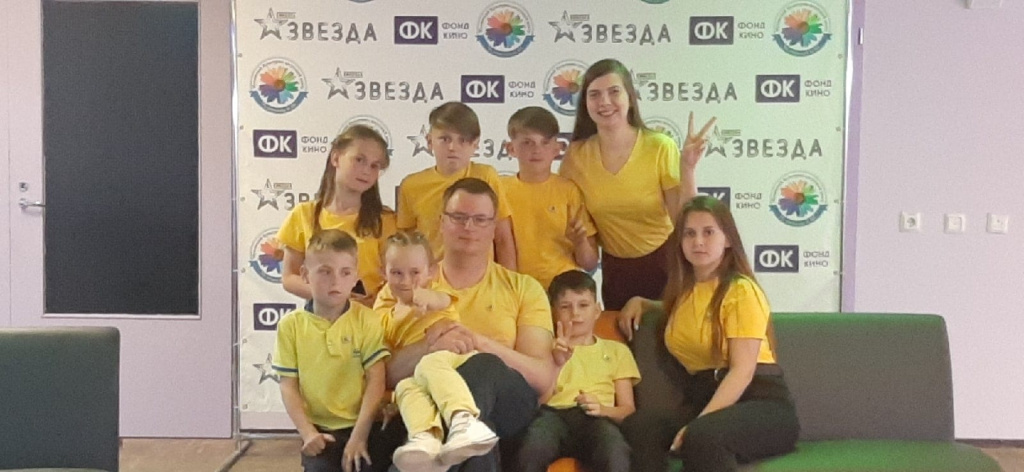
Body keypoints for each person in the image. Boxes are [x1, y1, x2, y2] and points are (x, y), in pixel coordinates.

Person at [617, 196, 800, 472]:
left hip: (760, 402)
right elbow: (684, 313)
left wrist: (698, 423)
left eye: (709, 232)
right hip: (704, 399)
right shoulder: (683, 293)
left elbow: (742, 371)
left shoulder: (741, 290)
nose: (698, 242)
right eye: (689, 234)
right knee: (640, 426)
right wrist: (641, 302)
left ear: (727, 240)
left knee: (703, 437)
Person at [386, 177, 556, 472]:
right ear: (441, 222)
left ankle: (457, 427)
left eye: (480, 219)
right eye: (459, 217)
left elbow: (542, 379)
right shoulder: (407, 284)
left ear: (493, 227)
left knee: (482, 365)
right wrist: (429, 346)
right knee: (477, 438)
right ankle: (460, 432)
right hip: (430, 407)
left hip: (510, 403)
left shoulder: (523, 288)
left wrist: (478, 343)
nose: (469, 227)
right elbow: (385, 375)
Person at [559, 58, 716, 310]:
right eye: (594, 95)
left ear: (630, 98)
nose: (604, 102)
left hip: (666, 265)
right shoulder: (576, 156)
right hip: (615, 272)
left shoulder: (659, 146)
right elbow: (584, 250)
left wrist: (687, 168)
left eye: (614, 92)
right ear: (585, 103)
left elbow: (684, 220)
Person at [274, 229, 401, 472]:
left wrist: (359, 437)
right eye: (325, 271)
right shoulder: (291, 326)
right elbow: (288, 385)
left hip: (366, 425)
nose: (335, 282)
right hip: (322, 431)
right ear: (305, 274)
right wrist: (308, 433)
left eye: (345, 273)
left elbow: (376, 379)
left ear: (355, 277)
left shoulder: (367, 320)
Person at [372, 231, 498, 471]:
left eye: (415, 273)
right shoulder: (383, 314)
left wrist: (424, 297)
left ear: (430, 272)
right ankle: (426, 439)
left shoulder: (437, 293)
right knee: (405, 387)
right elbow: (384, 357)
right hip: (420, 374)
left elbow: (442, 301)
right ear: (383, 273)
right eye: (396, 273)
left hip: (453, 359)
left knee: (429, 364)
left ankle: (464, 420)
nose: (406, 281)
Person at [516, 270, 640, 472]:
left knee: (614, 450)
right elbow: (535, 403)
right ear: (554, 312)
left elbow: (627, 410)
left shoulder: (617, 351)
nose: (575, 314)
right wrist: (555, 362)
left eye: (583, 305)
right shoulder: (543, 348)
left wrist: (602, 409)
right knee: (532, 448)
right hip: (552, 415)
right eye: (566, 307)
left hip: (597, 418)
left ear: (597, 310)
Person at [278, 125, 395, 304]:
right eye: (359, 160)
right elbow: (289, 277)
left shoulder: (385, 220)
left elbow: (398, 277)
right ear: (335, 158)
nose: (366, 170)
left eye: (374, 166)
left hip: (371, 316)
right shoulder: (304, 214)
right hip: (320, 317)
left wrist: (371, 303)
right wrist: (334, 298)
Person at [396, 102, 516, 269]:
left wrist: (508, 281)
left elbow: (503, 238)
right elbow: (406, 243)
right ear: (430, 141)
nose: (452, 147)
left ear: (475, 144)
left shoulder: (486, 176)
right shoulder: (411, 185)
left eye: (462, 140)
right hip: (431, 278)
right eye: (445, 139)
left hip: (480, 278)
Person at [500, 106, 598, 290]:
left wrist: (580, 242)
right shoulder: (500, 190)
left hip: (564, 291)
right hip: (521, 290)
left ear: (557, 148)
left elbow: (590, 263)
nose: (537, 150)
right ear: (511, 148)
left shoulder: (569, 191)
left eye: (545, 143)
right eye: (527, 142)